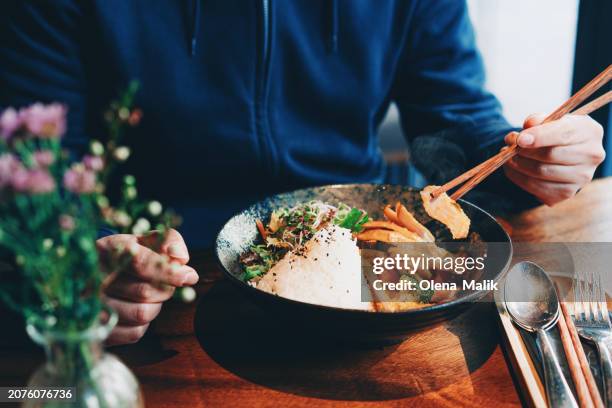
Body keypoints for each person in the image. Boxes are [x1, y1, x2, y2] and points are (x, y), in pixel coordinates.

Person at [0, 1, 604, 345]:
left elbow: (452, 122)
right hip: (169, 292)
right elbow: (35, 169)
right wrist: (78, 261)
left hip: (368, 273)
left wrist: (529, 162)